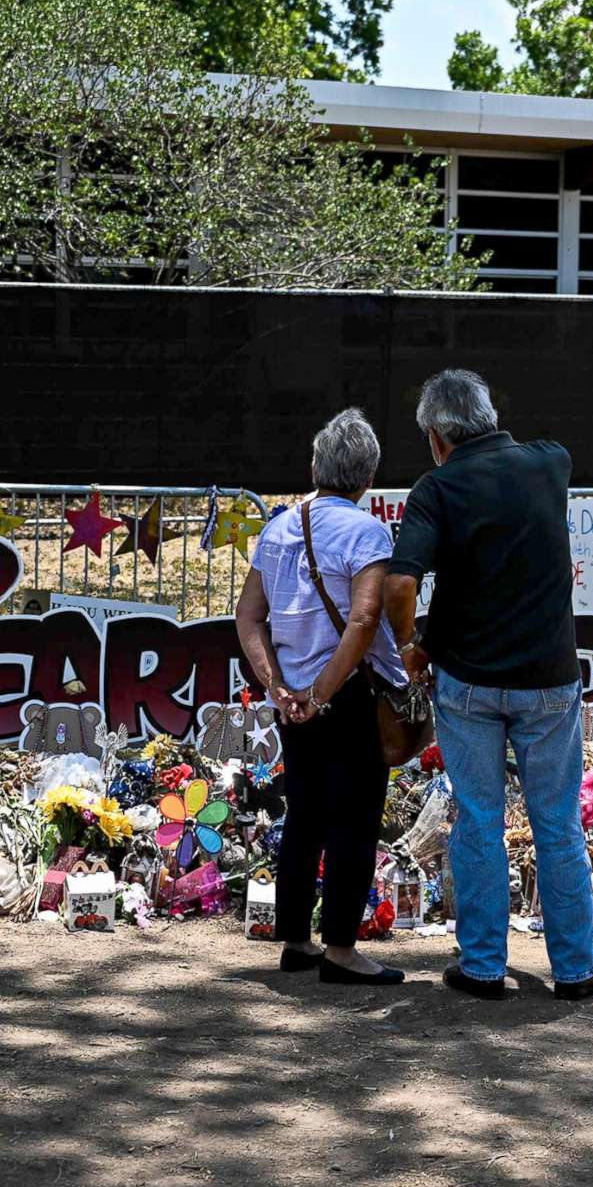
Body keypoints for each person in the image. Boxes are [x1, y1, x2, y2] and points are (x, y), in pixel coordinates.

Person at [382, 369, 593, 1002]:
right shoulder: (550, 463)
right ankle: (576, 969)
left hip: (469, 682)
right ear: (488, 414)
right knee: (558, 823)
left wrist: (411, 647)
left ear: (435, 436)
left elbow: (401, 584)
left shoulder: (438, 487)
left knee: (477, 821)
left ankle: (482, 967)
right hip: (549, 679)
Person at [233, 408, 412, 985]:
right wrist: (320, 692)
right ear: (368, 477)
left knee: (304, 813)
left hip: (292, 698)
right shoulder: (367, 531)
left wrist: (277, 686)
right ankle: (341, 948)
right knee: (355, 819)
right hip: (348, 695)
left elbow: (249, 616)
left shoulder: (278, 527)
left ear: (314, 463)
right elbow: (364, 620)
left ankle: (295, 940)